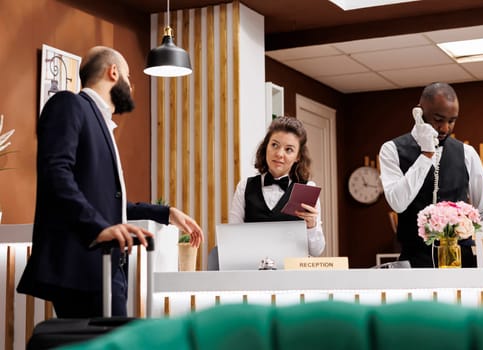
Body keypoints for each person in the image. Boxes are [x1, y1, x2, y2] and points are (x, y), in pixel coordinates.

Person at [17, 46, 203, 318]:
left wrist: (165, 213)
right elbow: (56, 173)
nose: (132, 86)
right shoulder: (69, 104)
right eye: (129, 76)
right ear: (113, 72)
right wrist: (96, 229)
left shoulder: (100, 122)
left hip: (105, 268)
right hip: (83, 267)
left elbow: (107, 200)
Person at [379, 82, 483, 268]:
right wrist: (426, 155)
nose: (445, 128)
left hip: (462, 262)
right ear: (419, 112)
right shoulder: (392, 150)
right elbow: (397, 203)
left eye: (452, 121)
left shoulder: (467, 153)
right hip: (415, 263)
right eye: (439, 119)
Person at [229, 116, 325, 256]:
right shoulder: (244, 187)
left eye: (289, 150)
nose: (279, 154)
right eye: (274, 145)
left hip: (292, 274)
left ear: (298, 156)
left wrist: (312, 226)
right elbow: (232, 239)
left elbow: (317, 251)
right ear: (266, 146)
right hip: (253, 272)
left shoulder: (307, 189)